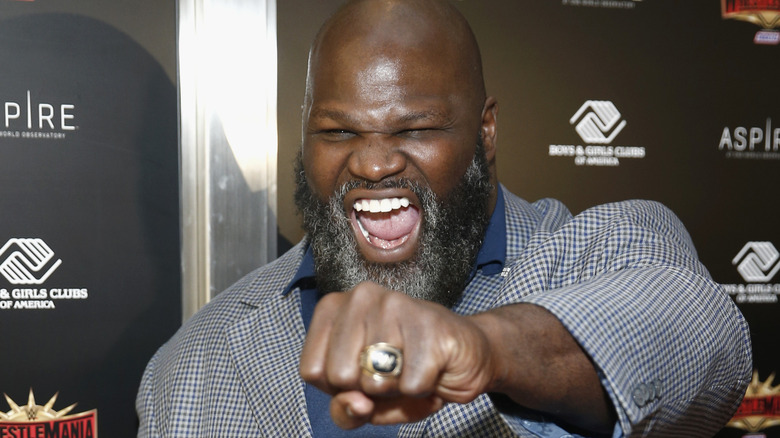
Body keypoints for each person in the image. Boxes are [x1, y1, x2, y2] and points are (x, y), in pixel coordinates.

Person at [136, 0, 752, 436]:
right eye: (338, 131)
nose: (373, 163)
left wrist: (486, 346)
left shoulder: (594, 252)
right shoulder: (195, 361)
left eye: (418, 128)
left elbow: (703, 336)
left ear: (485, 131)